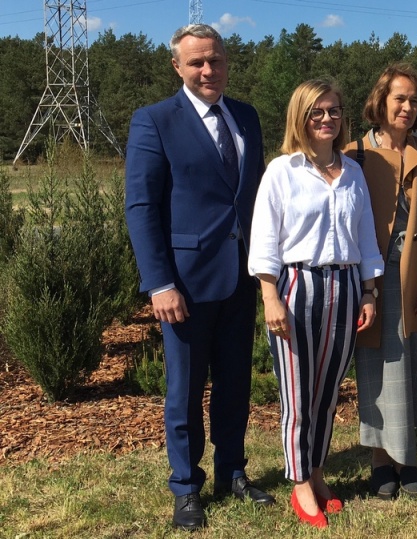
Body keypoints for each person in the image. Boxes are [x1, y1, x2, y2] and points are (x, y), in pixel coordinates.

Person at [124, 24, 274, 531]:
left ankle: (232, 470)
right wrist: (158, 283)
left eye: (215, 60)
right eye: (196, 63)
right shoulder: (155, 121)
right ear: (177, 66)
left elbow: (255, 199)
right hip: (184, 285)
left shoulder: (247, 118)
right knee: (185, 390)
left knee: (235, 385)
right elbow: (142, 207)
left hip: (242, 277)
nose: (208, 70)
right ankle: (186, 487)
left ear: (227, 60)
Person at [247, 80, 384, 527]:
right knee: (297, 393)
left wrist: (368, 291)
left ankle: (319, 470)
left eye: (334, 111)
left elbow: (366, 238)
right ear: (300, 117)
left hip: (344, 288)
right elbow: (265, 239)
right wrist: (270, 296)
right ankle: (300, 481)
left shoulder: (354, 173)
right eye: (317, 112)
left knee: (327, 394)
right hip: (296, 287)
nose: (327, 119)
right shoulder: (282, 171)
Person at [343, 64, 417, 499]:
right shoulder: (354, 155)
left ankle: (409, 460)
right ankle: (379, 461)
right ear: (381, 102)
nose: (407, 107)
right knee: (380, 370)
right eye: (398, 99)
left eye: (413, 100)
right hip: (374, 279)